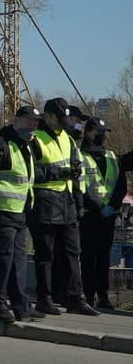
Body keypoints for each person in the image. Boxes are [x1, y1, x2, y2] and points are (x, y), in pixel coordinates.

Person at [0, 105, 47, 323]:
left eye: (36, 123)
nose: (33, 126)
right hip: (1, 212)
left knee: (18, 261)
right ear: (17, 120)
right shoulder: (1, 144)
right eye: (29, 121)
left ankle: (21, 306)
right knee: (1, 262)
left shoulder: (26, 146)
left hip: (19, 213)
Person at [28, 98, 99, 316]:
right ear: (48, 116)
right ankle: (45, 298)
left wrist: (78, 202)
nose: (63, 124)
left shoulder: (67, 139)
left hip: (67, 204)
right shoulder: (35, 139)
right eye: (59, 120)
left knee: (72, 253)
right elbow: (30, 172)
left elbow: (76, 170)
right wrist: (59, 173)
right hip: (45, 203)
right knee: (45, 255)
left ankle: (75, 298)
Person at [79, 117, 130, 310]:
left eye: (104, 133)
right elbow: (80, 187)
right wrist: (98, 206)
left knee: (103, 258)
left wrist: (112, 206)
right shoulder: (80, 156)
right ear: (88, 133)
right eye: (99, 132)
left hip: (108, 215)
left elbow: (120, 186)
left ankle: (103, 295)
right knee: (88, 257)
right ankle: (88, 295)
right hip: (89, 214)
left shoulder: (111, 157)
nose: (102, 136)